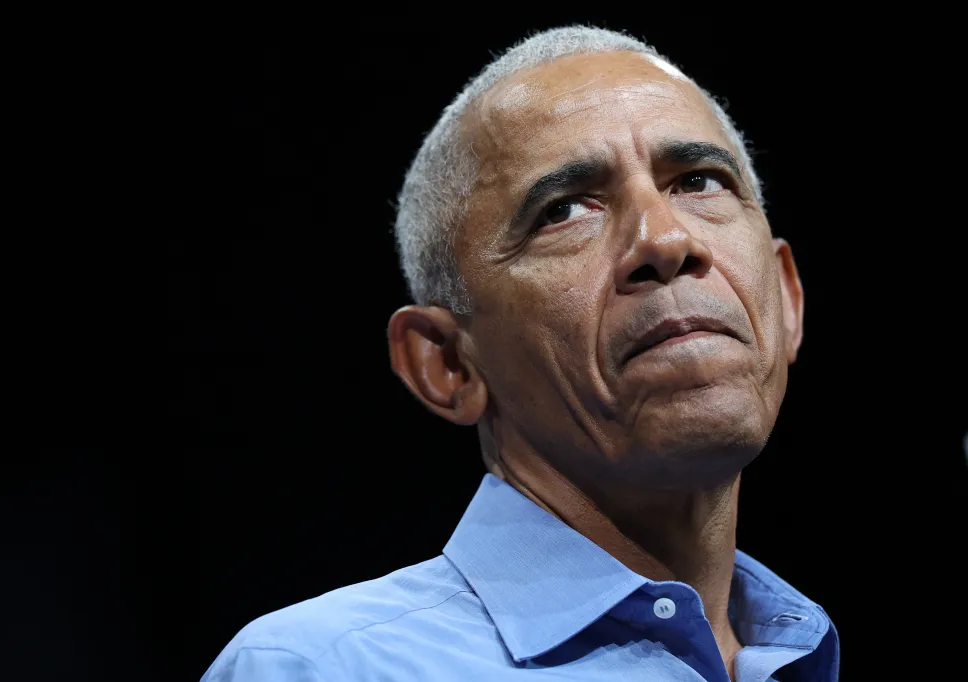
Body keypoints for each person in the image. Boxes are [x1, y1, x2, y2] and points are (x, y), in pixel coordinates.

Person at [201, 25, 838, 682]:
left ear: (787, 300)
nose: (666, 240)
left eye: (699, 180)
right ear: (446, 363)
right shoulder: (319, 668)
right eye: (563, 210)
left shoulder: (803, 651)